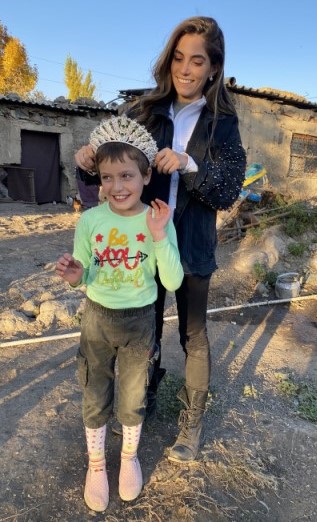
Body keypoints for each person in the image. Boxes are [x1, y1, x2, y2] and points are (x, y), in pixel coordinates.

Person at [75, 16, 247, 464]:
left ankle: (192, 421)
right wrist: (88, 164)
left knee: (194, 333)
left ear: (213, 68)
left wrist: (190, 164)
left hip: (190, 245)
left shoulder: (222, 124)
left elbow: (228, 189)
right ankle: (143, 395)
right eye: (178, 58)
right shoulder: (144, 113)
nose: (185, 70)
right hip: (141, 242)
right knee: (143, 328)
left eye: (197, 61)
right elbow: (114, 178)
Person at [56, 115, 184, 512]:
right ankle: (96, 465)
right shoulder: (91, 220)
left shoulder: (157, 219)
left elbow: (174, 280)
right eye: (107, 178)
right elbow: (84, 272)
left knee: (131, 398)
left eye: (126, 176)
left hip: (140, 321)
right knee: (95, 393)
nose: (116, 187)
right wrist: (77, 276)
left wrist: (160, 235)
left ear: (146, 177)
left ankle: (128, 458)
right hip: (97, 319)